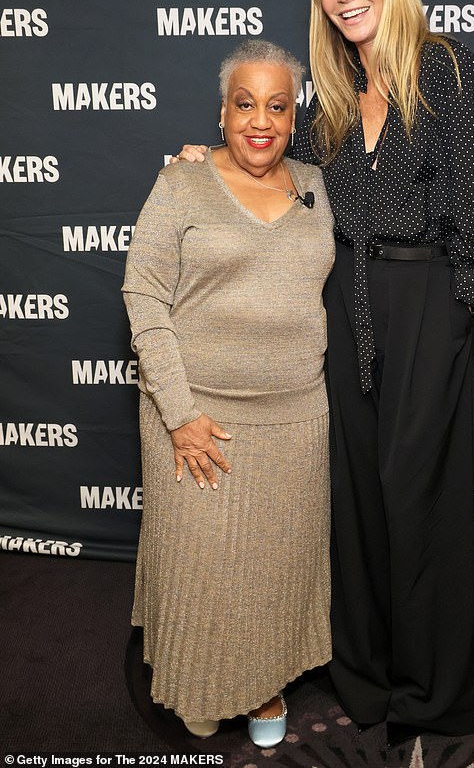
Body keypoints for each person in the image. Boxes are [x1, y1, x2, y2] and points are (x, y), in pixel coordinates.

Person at [174, 0, 474, 747]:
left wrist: (454, 310)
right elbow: (277, 175)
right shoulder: (325, 101)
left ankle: (430, 693)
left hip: (426, 298)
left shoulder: (445, 67)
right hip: (345, 298)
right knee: (355, 495)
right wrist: (203, 163)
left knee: (414, 493)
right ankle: (365, 676)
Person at [123, 40, 335, 747]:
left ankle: (266, 682)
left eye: (277, 106)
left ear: (294, 116)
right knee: (204, 565)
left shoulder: (318, 184)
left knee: (276, 566)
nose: (260, 121)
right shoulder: (180, 183)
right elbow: (144, 296)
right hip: (197, 413)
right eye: (245, 103)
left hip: (295, 418)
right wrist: (180, 415)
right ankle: (202, 679)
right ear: (222, 111)